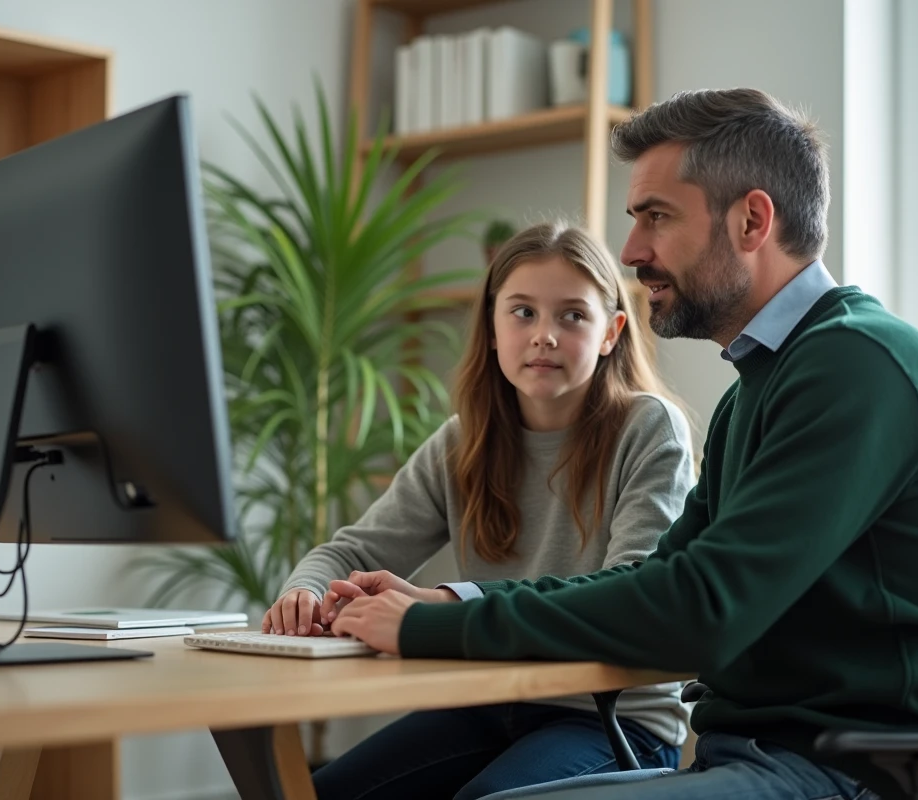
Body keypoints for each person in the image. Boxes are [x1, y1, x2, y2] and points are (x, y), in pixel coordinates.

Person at [328, 88, 918, 800]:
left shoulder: (856, 365)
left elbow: (699, 614)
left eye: (657, 217)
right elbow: (657, 583)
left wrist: (440, 626)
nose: (630, 251)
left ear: (752, 220)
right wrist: (446, 602)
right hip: (754, 757)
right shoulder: (759, 387)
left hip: (847, 773)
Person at [263, 221, 696, 800]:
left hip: (612, 717)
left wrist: (447, 605)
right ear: (492, 327)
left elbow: (633, 589)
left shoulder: (647, 428)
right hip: (491, 706)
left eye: (572, 316)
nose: (544, 335)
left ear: (612, 332)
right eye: (522, 312)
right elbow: (353, 551)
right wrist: (306, 593)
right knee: (322, 792)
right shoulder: (460, 442)